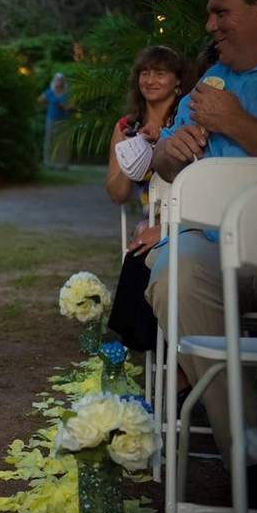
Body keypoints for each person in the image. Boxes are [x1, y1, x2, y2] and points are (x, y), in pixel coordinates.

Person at [146, 0, 257, 491]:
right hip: (209, 243)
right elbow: (165, 165)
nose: (210, 25)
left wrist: (239, 124)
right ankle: (250, 455)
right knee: (173, 273)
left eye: (221, 12)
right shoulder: (210, 80)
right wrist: (171, 152)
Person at [105, 46, 188, 352]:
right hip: (147, 218)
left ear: (178, 82)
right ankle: (138, 347)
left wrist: (162, 142)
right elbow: (117, 195)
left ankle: (136, 346)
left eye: (160, 73)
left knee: (142, 252)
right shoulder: (126, 126)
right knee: (140, 245)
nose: (150, 80)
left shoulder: (188, 120)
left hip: (184, 216)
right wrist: (134, 155)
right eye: (145, 72)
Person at [39, 72, 70, 167]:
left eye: (60, 80)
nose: (58, 82)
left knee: (62, 142)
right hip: (51, 119)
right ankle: (48, 162)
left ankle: (62, 163)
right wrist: (46, 103)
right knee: (49, 141)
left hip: (63, 120)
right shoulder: (50, 91)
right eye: (57, 80)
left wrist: (61, 105)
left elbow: (69, 107)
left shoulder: (67, 93)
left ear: (63, 82)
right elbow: (40, 99)